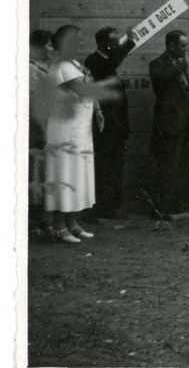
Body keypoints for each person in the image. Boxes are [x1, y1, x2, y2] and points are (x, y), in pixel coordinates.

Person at [45, 26, 119, 243]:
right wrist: (108, 83)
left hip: (80, 128)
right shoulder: (61, 65)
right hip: (65, 129)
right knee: (65, 174)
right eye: (76, 39)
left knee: (77, 174)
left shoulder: (76, 65)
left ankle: (73, 223)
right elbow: (84, 88)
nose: (81, 42)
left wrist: (97, 110)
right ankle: (59, 226)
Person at [83, 27, 136, 220]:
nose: (116, 46)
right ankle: (98, 207)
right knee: (103, 166)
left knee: (115, 166)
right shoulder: (93, 61)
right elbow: (110, 64)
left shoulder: (108, 62)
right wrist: (127, 44)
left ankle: (111, 206)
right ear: (104, 44)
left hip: (118, 124)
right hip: (105, 124)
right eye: (113, 42)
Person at [148, 30, 189, 221]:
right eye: (183, 45)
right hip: (169, 123)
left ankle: (172, 204)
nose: (186, 49)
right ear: (171, 45)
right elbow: (162, 78)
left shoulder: (178, 64)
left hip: (183, 122)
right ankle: (161, 207)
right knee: (168, 165)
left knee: (179, 165)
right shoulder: (158, 64)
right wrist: (182, 65)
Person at [29, 29, 54, 228]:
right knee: (35, 174)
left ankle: (41, 218)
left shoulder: (48, 68)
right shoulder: (31, 70)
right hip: (37, 130)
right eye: (48, 45)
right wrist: (42, 132)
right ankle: (33, 220)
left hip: (50, 127)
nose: (52, 49)